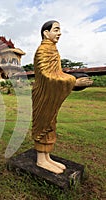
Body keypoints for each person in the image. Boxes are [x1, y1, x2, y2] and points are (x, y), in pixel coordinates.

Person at [32, 20, 77, 174]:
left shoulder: (54, 50)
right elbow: (46, 75)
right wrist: (73, 81)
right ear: (46, 33)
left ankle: (46, 156)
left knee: (51, 122)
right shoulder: (42, 51)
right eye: (56, 30)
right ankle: (40, 159)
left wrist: (70, 79)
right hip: (43, 94)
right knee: (43, 122)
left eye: (59, 30)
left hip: (52, 94)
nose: (59, 33)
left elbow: (57, 73)